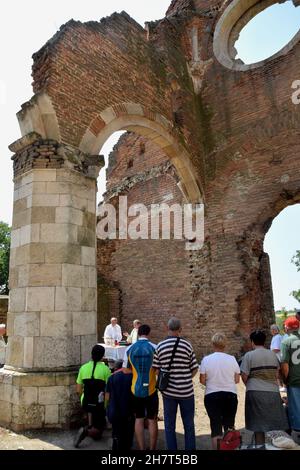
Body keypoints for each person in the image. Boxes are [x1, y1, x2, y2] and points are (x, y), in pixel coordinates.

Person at [153, 318, 198, 451]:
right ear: (180, 329)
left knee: (169, 425)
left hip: (168, 392)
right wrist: (185, 378)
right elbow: (195, 367)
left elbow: (155, 369)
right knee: (189, 425)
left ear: (167, 328)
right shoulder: (187, 345)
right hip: (186, 392)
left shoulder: (160, 346)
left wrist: (165, 378)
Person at [240, 330, 289, 449]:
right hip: (272, 392)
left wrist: (251, 385)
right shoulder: (272, 355)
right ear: (264, 341)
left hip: (255, 392)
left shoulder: (249, 356)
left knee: (258, 425)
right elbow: (277, 374)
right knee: (274, 424)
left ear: (252, 342)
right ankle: (276, 445)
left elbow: (244, 375)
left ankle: (259, 445)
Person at [199, 333, 240, 450]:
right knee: (229, 426)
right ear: (225, 344)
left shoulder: (206, 360)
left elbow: (202, 380)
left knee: (216, 427)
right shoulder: (232, 359)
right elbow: (237, 380)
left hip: (212, 395)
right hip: (230, 395)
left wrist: (213, 383)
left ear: (213, 344)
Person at [74, 344, 111, 448]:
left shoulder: (83, 368)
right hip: (99, 404)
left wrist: (84, 397)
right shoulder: (106, 370)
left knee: (91, 408)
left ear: (91, 354)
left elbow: (78, 389)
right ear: (102, 356)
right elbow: (108, 391)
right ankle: (87, 432)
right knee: (99, 434)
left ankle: (90, 425)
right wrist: (106, 405)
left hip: (85, 402)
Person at [128, 324, 158, 450]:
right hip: (151, 389)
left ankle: (141, 448)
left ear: (138, 333)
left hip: (136, 389)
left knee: (138, 419)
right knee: (152, 420)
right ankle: (152, 449)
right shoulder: (155, 348)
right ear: (148, 333)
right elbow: (158, 369)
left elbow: (126, 369)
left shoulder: (130, 348)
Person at [105, 359, 135, 451]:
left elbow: (107, 397)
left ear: (116, 368)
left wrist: (107, 408)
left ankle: (116, 444)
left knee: (116, 431)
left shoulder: (111, 378)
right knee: (128, 431)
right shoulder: (133, 377)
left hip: (114, 411)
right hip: (129, 411)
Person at [280, 316, 300, 434]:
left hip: (294, 379)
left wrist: (285, 379)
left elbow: (285, 365)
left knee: (296, 407)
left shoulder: (286, 341)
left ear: (287, 328)